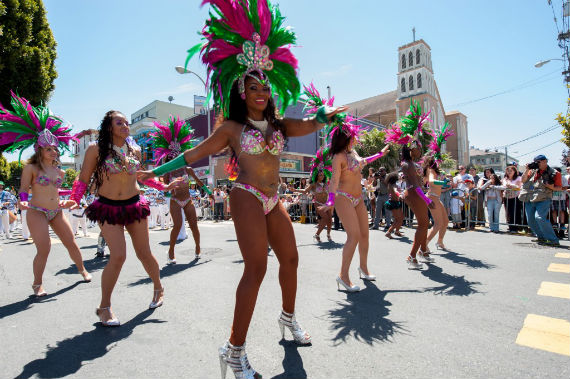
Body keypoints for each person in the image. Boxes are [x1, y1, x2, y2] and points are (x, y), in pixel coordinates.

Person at [137, 6, 341, 375]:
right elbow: (194, 152)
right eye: (253, 87)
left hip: (273, 197)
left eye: (265, 86)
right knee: (257, 268)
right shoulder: (231, 127)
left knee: (292, 260)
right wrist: (155, 168)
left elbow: (310, 124)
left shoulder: (280, 124)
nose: (261, 92)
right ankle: (233, 349)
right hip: (245, 193)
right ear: (241, 91)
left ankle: (288, 318)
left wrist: (326, 117)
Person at [71, 111, 178, 326]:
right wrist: (74, 199)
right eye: (119, 122)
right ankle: (104, 308)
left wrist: (163, 186)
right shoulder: (95, 149)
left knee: (144, 253)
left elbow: (140, 176)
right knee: (118, 256)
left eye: (126, 122)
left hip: (133, 205)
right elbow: (83, 179)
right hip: (108, 207)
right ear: (109, 127)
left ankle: (159, 288)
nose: (125, 125)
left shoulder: (134, 149)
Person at [0, 92, 92, 296]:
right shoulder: (30, 168)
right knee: (44, 248)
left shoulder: (59, 171)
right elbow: (24, 190)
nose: (53, 151)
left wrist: (68, 201)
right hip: (37, 211)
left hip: (56, 211)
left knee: (71, 242)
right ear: (39, 150)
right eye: (48, 148)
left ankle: (82, 270)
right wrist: (22, 202)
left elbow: (56, 192)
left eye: (55, 148)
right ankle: (37, 284)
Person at [149, 115, 210, 263]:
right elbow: (163, 188)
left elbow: (199, 183)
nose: (177, 161)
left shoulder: (188, 169)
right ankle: (171, 252)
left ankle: (198, 248)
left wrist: (209, 194)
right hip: (175, 200)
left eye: (179, 158)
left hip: (188, 200)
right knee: (176, 226)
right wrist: (169, 185)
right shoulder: (168, 172)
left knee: (195, 226)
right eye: (173, 159)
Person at [385, 100, 436, 269]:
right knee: (423, 224)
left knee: (424, 223)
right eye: (418, 147)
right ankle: (412, 256)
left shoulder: (410, 163)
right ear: (410, 148)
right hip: (415, 194)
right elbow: (414, 185)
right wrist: (428, 200)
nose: (420, 150)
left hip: (414, 194)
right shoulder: (407, 164)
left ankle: (423, 251)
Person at [521, 154, 562, 246]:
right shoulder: (532, 171)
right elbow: (523, 181)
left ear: (545, 161)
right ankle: (541, 237)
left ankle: (553, 240)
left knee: (539, 218)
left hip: (544, 198)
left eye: (538, 162)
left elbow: (559, 188)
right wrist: (527, 169)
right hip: (530, 198)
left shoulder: (555, 173)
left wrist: (551, 187)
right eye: (535, 162)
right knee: (530, 220)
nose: (536, 164)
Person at [423, 123, 453, 250]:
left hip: (436, 198)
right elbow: (431, 181)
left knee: (445, 221)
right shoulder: (430, 170)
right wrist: (443, 183)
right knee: (438, 223)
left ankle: (439, 242)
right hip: (432, 197)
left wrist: (446, 184)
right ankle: (423, 245)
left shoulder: (434, 170)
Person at [298, 147, 333, 241]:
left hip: (326, 204)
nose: (322, 176)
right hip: (317, 204)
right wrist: (294, 190)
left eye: (323, 175)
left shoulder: (326, 184)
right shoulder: (314, 184)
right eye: (320, 175)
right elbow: (305, 191)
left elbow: (331, 192)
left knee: (330, 221)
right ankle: (317, 234)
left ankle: (328, 234)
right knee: (325, 218)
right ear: (317, 175)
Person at [502, 165, 523, 233]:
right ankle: (511, 227)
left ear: (514, 171)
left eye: (511, 171)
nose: (509, 172)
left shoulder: (518, 178)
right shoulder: (505, 179)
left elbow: (519, 186)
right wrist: (510, 185)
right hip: (507, 197)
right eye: (508, 171)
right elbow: (504, 185)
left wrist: (512, 185)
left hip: (515, 197)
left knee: (515, 212)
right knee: (508, 212)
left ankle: (517, 227)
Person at [384, 172, 404, 238]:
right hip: (394, 203)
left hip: (396, 202)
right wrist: (399, 194)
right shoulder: (393, 185)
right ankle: (388, 232)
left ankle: (397, 231)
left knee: (401, 218)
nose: (399, 177)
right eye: (398, 176)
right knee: (397, 219)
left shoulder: (392, 184)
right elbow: (396, 191)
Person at [372, 167, 391, 231]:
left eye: (381, 171)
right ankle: (376, 225)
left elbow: (387, 184)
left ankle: (388, 225)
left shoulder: (388, 176)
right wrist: (375, 179)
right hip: (379, 195)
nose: (380, 172)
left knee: (387, 211)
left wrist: (381, 178)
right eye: (379, 171)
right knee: (377, 211)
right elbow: (374, 185)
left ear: (385, 171)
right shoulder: (378, 177)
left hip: (386, 195)